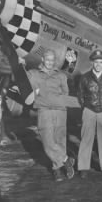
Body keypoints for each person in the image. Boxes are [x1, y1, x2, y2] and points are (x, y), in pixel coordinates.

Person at [26, 49, 75, 182]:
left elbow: (65, 92)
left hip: (60, 111)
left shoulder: (61, 75)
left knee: (59, 139)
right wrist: (20, 63)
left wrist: (59, 102)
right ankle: (66, 159)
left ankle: (57, 169)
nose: (49, 62)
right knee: (47, 141)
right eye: (47, 60)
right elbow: (25, 81)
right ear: (42, 60)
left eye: (52, 60)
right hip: (44, 111)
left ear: (54, 61)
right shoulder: (34, 74)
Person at [77, 49, 102, 179]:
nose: (98, 64)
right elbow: (80, 94)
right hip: (89, 111)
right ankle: (83, 167)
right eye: (96, 62)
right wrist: (86, 107)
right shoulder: (85, 77)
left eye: (101, 62)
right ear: (92, 63)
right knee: (86, 139)